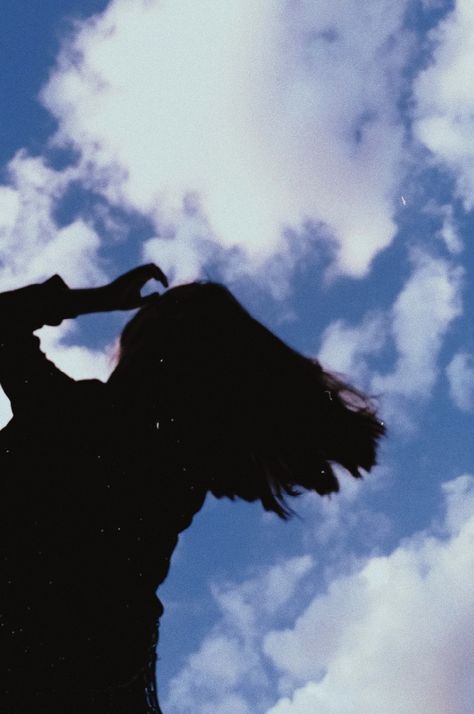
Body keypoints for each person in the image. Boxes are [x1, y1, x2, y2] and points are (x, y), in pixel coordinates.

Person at [0, 265, 384, 713]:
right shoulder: (184, 468)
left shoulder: (79, 416)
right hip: (93, 673)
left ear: (150, 348)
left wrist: (98, 298)